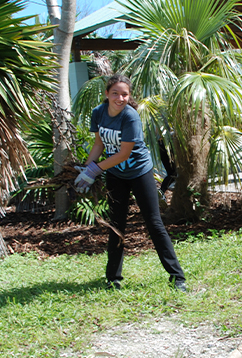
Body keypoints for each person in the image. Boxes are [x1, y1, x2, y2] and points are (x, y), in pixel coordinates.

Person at [74, 74, 187, 292]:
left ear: (129, 96)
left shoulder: (130, 116)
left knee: (154, 223)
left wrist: (95, 169)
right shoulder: (99, 113)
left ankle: (177, 277)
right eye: (115, 93)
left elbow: (124, 154)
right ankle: (112, 278)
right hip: (115, 174)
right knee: (116, 224)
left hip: (139, 172)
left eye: (124, 94)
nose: (120, 98)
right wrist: (87, 167)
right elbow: (99, 143)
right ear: (106, 94)